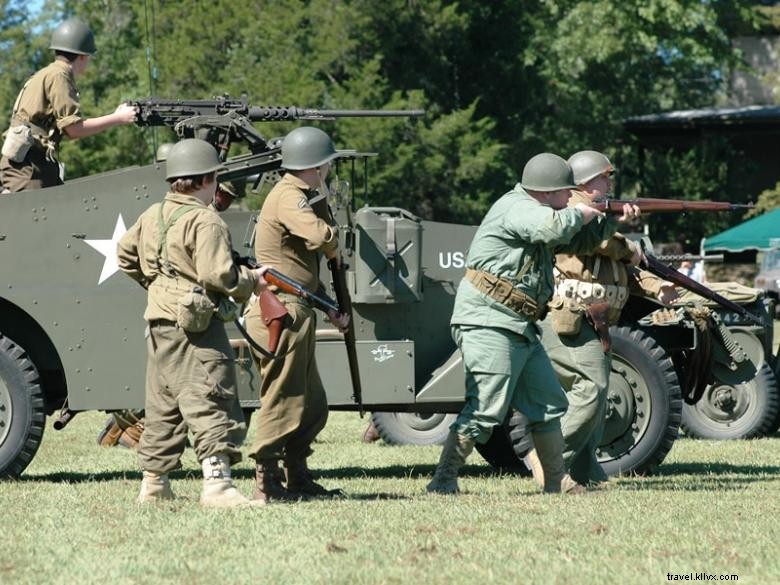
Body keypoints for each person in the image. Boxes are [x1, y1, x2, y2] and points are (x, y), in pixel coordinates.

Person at [427, 153, 640, 495]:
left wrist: (612, 221)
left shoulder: (544, 210)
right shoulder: (519, 208)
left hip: (520, 323)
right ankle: (443, 480)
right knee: (485, 406)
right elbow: (551, 227)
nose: (571, 197)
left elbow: (580, 241)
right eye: (565, 192)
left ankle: (556, 483)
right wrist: (582, 211)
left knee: (547, 404)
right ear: (547, 191)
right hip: (489, 321)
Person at [117, 138, 267, 507]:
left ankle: (154, 485)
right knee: (209, 394)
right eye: (215, 177)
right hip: (195, 325)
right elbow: (219, 275)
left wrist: (156, 285)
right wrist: (253, 280)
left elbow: (124, 254)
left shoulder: (153, 214)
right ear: (206, 179)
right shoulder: (205, 219)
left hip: (159, 319)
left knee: (163, 402)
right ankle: (218, 486)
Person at [527, 150, 677, 488]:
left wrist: (658, 288)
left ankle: (585, 471)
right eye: (603, 177)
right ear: (583, 182)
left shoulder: (598, 218)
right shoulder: (568, 213)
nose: (610, 183)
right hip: (570, 318)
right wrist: (624, 233)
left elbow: (621, 269)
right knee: (592, 390)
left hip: (598, 321)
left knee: (599, 394)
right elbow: (604, 243)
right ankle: (547, 458)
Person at [244, 126, 350, 503]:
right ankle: (266, 482)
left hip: (297, 306)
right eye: (327, 165)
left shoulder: (300, 194)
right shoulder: (290, 196)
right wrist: (333, 235)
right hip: (281, 311)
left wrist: (331, 308)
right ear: (317, 166)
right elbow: (322, 238)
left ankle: (297, 476)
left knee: (312, 403)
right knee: (284, 398)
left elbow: (301, 268)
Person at [0, 18, 137, 192]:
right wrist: (118, 118)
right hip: (29, 168)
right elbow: (74, 130)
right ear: (82, 56)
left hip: (34, 163)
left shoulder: (48, 73)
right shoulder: (59, 76)